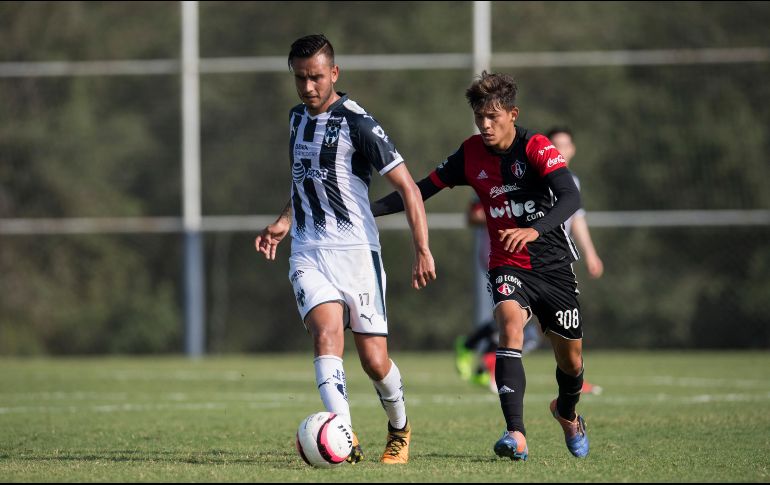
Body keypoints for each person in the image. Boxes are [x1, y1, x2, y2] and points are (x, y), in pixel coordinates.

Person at [371, 71, 590, 460]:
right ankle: (516, 433)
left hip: (554, 265)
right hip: (508, 264)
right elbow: (420, 190)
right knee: (509, 327)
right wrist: (368, 212)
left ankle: (567, 412)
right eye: (479, 118)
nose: (485, 126)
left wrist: (535, 230)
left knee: (571, 363)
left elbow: (570, 197)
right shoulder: (470, 153)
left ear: (512, 113)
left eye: (493, 117)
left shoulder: (536, 147)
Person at [255, 34, 436, 465]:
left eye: (316, 77)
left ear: (334, 73)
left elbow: (409, 189)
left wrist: (422, 249)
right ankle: (345, 436)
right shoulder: (296, 118)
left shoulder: (360, 123)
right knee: (326, 335)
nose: (308, 87)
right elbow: (305, 179)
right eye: (300, 78)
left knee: (375, 361)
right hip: (309, 251)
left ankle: (399, 428)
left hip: (357, 253)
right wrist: (284, 220)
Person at [456, 127, 605, 395]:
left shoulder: (570, 183)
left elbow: (577, 218)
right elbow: (472, 214)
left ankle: (480, 354)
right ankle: (491, 367)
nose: (559, 150)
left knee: (559, 326)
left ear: (572, 150)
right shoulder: (521, 171)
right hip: (513, 257)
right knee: (522, 325)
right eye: (554, 144)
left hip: (557, 259)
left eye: (564, 145)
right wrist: (500, 213)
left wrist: (591, 254)